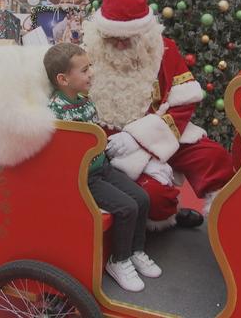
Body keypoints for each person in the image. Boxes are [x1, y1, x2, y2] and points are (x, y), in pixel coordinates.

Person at [83, 0, 235, 230]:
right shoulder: (86, 55)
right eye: (113, 39)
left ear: (143, 35)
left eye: (128, 39)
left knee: (213, 157)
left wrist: (142, 139)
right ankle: (170, 213)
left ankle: (229, 217)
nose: (120, 46)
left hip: (161, 128)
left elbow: (184, 103)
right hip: (115, 143)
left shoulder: (164, 50)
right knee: (155, 196)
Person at [44, 43, 162, 292]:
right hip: (85, 178)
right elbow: (66, 155)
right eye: (85, 70)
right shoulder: (55, 112)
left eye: (90, 68)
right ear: (63, 79)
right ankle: (117, 260)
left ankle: (134, 250)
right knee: (127, 207)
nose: (91, 74)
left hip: (102, 167)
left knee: (142, 198)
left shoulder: (85, 102)